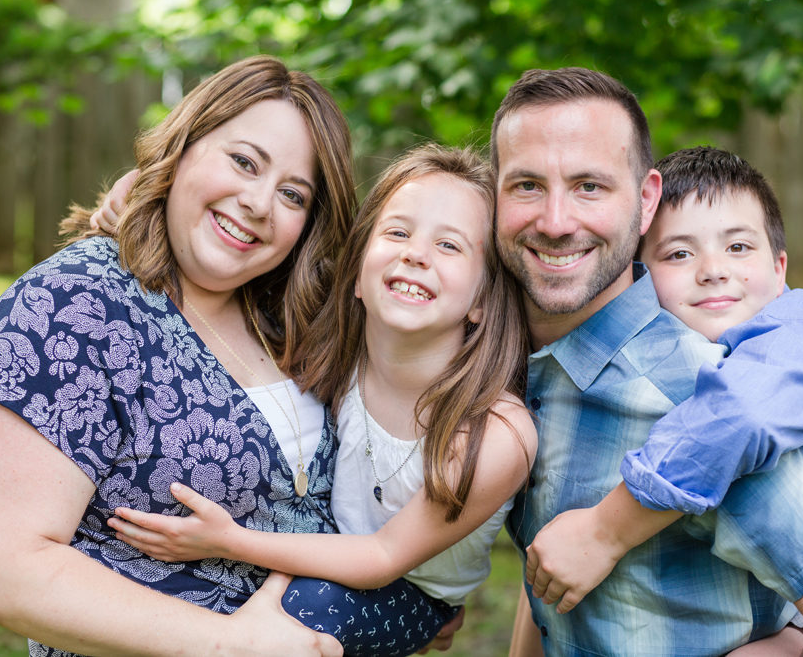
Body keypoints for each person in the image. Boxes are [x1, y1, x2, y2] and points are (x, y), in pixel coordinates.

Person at [494, 68, 803, 655]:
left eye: (589, 186)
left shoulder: (700, 402)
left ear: (646, 200)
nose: (554, 220)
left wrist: (607, 528)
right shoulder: (522, 363)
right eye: (526, 185)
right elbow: (549, 573)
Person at [0, 55, 359, 656]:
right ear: (184, 148)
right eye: (243, 161)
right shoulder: (75, 304)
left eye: (292, 194)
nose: (257, 202)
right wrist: (233, 645)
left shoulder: (286, 318)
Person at [95, 144, 538, 657]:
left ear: (483, 301)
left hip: (410, 590)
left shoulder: (494, 433)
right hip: (329, 547)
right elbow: (251, 244)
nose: (416, 253)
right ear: (356, 273)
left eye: (450, 246)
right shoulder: (336, 346)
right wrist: (136, 189)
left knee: (292, 615)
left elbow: (382, 555)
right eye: (397, 232)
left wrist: (227, 540)